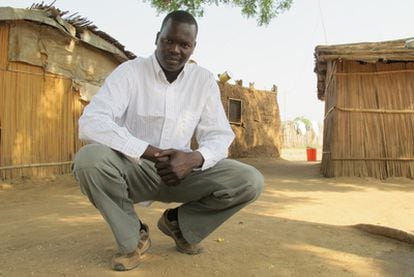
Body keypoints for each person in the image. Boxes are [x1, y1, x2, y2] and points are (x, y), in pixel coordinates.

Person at [72, 10, 264, 271]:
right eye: (168, 41)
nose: (175, 50)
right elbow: (92, 121)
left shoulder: (204, 81)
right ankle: (133, 237)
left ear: (193, 47)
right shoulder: (129, 72)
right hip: (135, 168)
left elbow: (218, 137)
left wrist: (193, 159)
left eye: (184, 44)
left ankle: (180, 226)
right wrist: (148, 152)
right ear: (157, 38)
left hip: (181, 173)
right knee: (88, 161)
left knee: (249, 181)